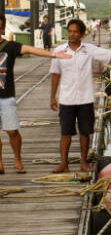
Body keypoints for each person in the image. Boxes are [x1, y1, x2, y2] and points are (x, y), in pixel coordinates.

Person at [49, 18, 111, 174]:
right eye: (70, 31)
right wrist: (53, 96)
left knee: (85, 131)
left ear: (82, 34)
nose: (72, 34)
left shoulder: (89, 49)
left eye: (75, 32)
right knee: (65, 132)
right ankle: (63, 164)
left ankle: (83, 163)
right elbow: (55, 75)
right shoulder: (59, 51)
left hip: (85, 98)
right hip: (66, 98)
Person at [0, 14, 72, 175]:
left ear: (3, 28)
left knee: (12, 131)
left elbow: (31, 49)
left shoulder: (10, 46)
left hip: (6, 96)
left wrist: (54, 54)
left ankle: (17, 158)